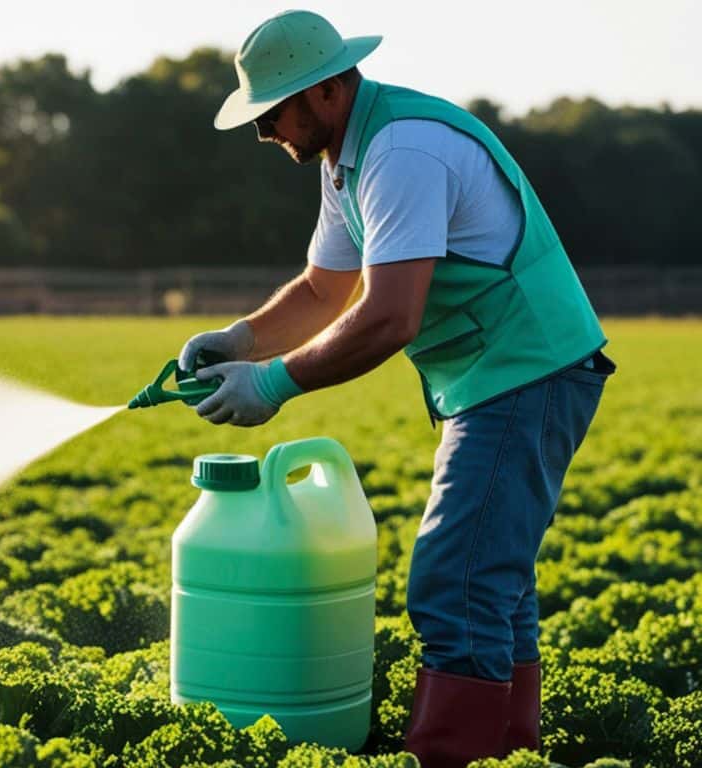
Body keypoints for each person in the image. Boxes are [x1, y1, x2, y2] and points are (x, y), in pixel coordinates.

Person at [177, 10, 615, 767]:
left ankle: (451, 754)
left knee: (456, 578)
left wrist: (274, 383)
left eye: (271, 110)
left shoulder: (403, 151)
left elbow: (388, 317)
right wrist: (239, 341)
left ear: (326, 90)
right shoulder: (344, 158)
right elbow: (323, 292)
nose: (262, 131)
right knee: (491, 579)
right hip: (495, 375)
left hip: (526, 367)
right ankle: (508, 749)